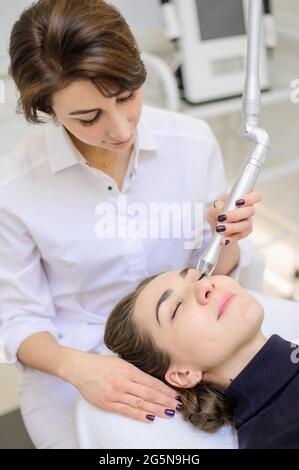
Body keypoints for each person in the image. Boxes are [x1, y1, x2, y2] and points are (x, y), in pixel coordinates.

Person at [0, 0, 261, 449]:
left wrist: (230, 238)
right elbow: (17, 316)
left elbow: (214, 273)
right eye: (88, 117)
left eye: (127, 97)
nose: (121, 129)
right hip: (72, 360)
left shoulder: (192, 142)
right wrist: (78, 368)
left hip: (188, 349)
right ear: (46, 107)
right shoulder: (14, 187)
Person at [102, 268, 299, 449]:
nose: (206, 285)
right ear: (183, 374)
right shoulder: (276, 437)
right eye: (177, 307)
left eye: (201, 276)